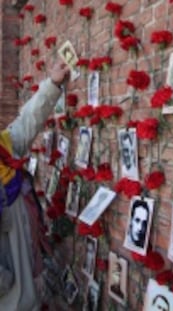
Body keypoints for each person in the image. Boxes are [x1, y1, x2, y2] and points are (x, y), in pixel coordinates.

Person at [0, 61, 70, 309]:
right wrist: (7, 284)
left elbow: (27, 121)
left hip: (25, 293)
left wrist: (52, 84)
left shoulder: (5, 150)